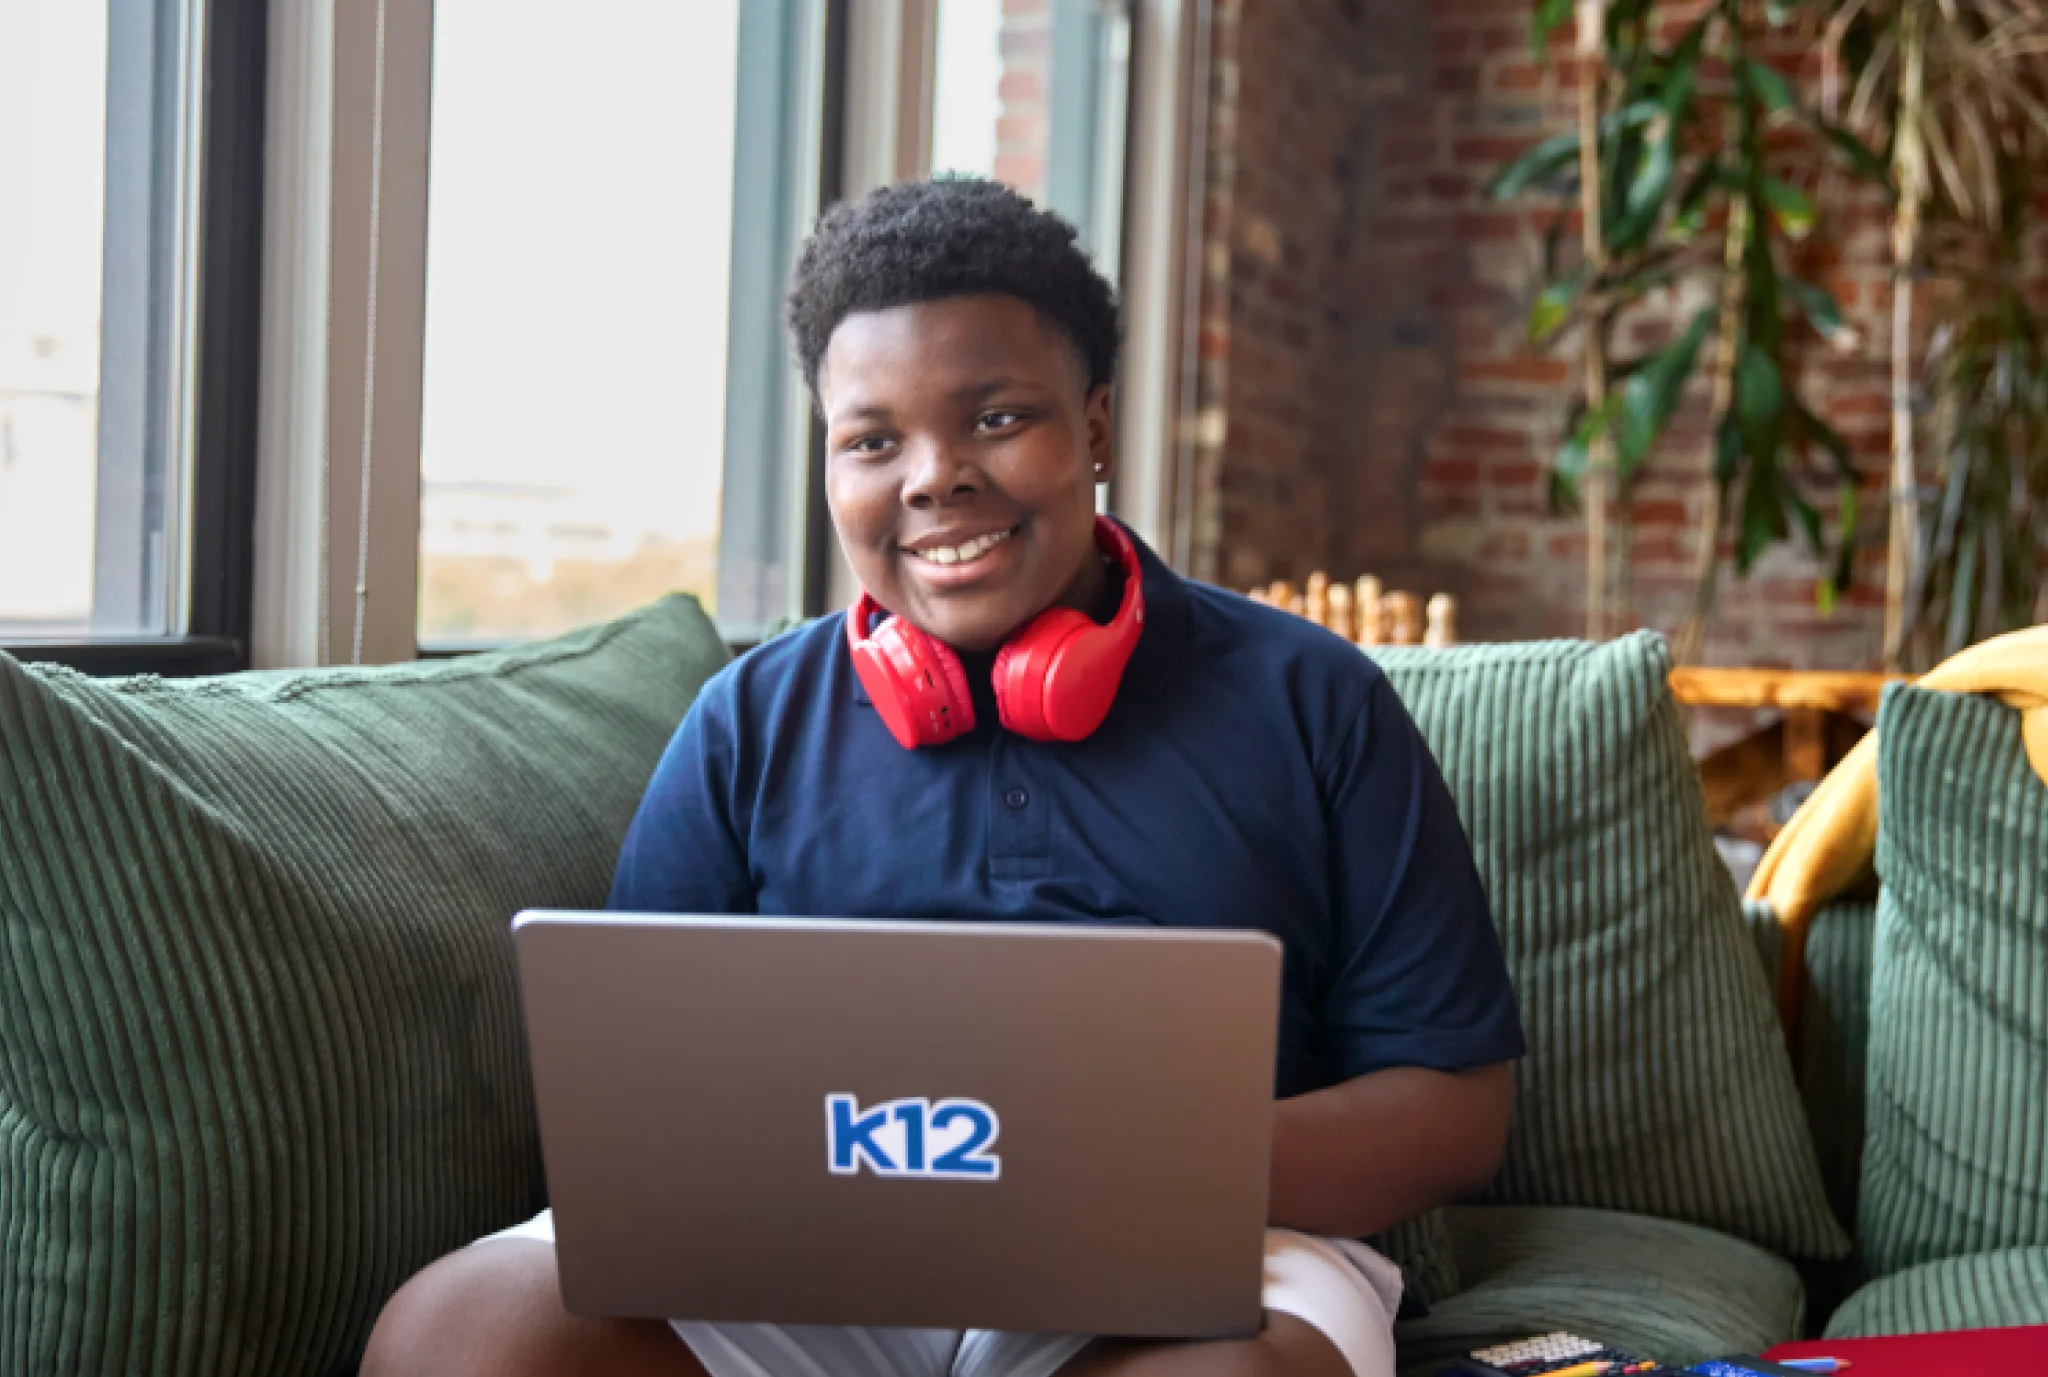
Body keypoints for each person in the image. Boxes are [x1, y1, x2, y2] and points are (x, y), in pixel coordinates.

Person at [364, 177, 1522, 1377]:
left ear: (1094, 429)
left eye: (995, 418)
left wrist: (1106, 1172)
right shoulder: (746, 721)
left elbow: (1449, 1107)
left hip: (1208, 1256)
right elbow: (628, 1115)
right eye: (873, 441)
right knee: (458, 1333)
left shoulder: (1314, 700)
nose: (931, 477)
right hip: (809, 1256)